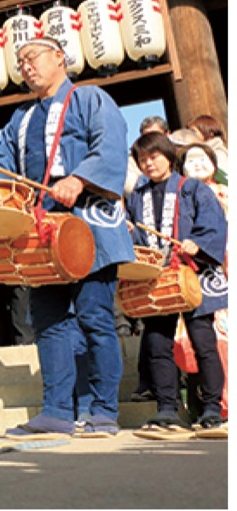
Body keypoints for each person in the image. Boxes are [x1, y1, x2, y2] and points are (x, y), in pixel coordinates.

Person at [0, 35, 133, 438]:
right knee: (48, 320)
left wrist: (79, 177)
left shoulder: (90, 99)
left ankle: (103, 409)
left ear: (58, 57)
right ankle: (56, 410)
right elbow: (1, 161)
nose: (26, 66)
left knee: (94, 318)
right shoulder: (22, 117)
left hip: (88, 220)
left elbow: (111, 146)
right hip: (43, 226)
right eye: (21, 61)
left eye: (32, 57)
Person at [126, 132, 227, 438]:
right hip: (157, 278)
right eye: (143, 158)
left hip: (191, 274)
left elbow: (213, 223)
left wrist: (197, 242)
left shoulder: (192, 188)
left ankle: (211, 408)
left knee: (203, 342)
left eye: (154, 156)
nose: (148, 163)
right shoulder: (136, 197)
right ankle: (167, 408)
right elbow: (136, 238)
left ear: (168, 156)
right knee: (158, 344)